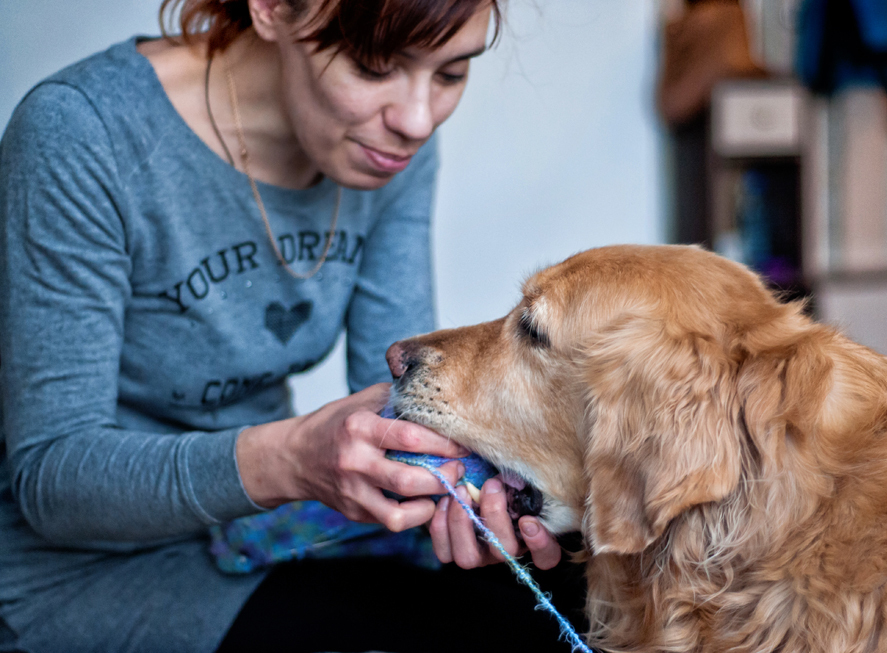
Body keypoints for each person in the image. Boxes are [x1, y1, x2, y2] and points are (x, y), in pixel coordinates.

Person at [0, 1, 585, 651]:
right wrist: (292, 458)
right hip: (87, 572)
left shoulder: (386, 142)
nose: (416, 119)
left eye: (450, 74)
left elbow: (404, 396)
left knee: (581, 598)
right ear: (273, 9)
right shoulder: (82, 131)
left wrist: (476, 484)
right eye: (372, 67)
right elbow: (51, 478)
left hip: (268, 529)